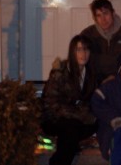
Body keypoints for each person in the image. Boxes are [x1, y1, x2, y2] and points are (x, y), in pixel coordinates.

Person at [40, 34, 98, 165]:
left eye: (86, 49)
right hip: (54, 119)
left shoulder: (91, 74)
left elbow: (91, 102)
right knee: (69, 128)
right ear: (72, 52)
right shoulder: (60, 72)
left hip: (78, 120)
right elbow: (51, 104)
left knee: (90, 124)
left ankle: (70, 145)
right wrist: (79, 114)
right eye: (79, 50)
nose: (83, 54)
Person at [81, 0, 121, 84]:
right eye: (99, 15)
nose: (103, 19)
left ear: (113, 13)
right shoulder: (87, 35)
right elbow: (84, 63)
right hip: (94, 84)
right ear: (94, 18)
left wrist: (115, 77)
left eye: (106, 13)